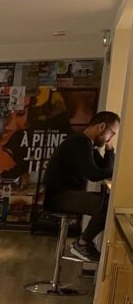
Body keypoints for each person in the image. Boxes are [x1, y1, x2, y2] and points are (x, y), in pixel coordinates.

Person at [43, 110, 120, 262]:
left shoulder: (87, 144)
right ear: (101, 126)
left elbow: (106, 169)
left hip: (64, 194)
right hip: (58, 197)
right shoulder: (80, 143)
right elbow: (95, 174)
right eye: (111, 133)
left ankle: (83, 242)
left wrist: (109, 150)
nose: (110, 139)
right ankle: (82, 243)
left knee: (107, 201)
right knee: (107, 205)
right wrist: (109, 151)